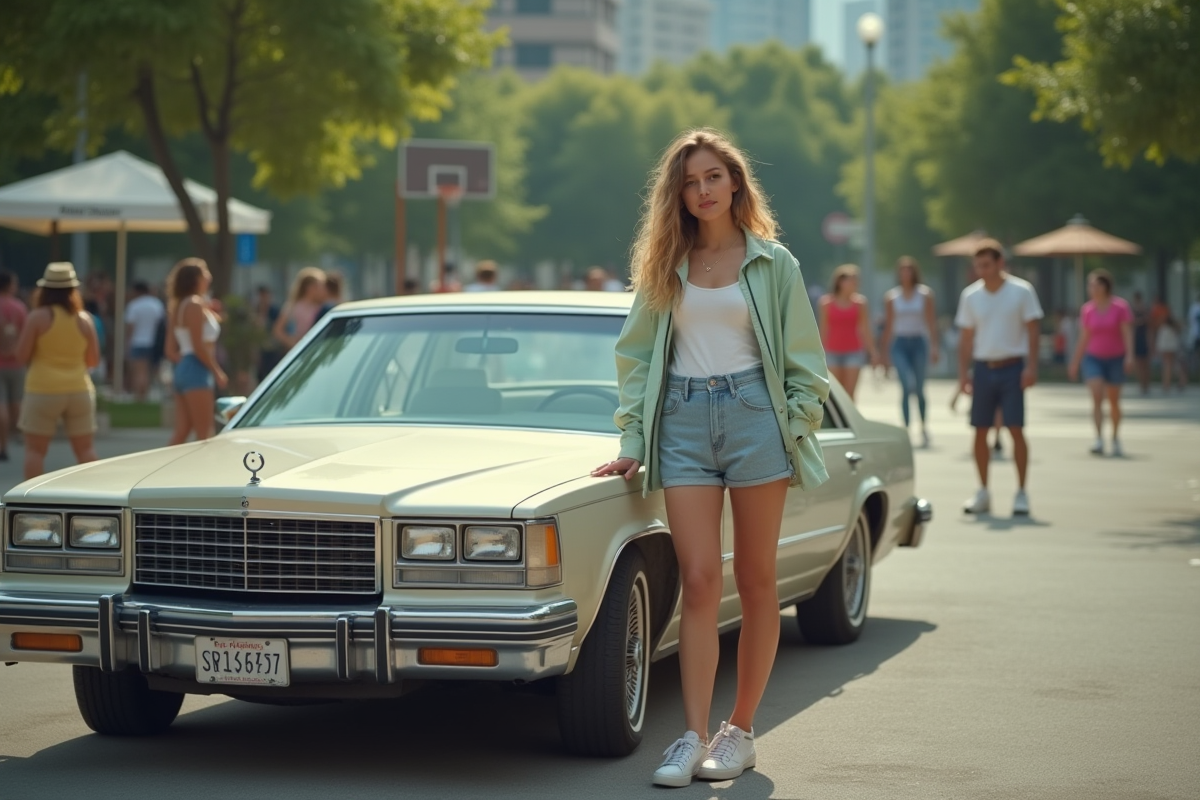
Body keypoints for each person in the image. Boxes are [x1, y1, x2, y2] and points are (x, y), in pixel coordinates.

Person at [590, 129, 829, 787]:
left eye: (713, 177)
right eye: (691, 181)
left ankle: (740, 732)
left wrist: (794, 427)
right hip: (684, 424)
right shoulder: (666, 267)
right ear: (679, 193)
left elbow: (807, 363)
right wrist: (633, 441)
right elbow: (636, 361)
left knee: (755, 581)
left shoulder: (772, 263)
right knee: (697, 580)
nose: (702, 191)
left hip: (756, 422)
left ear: (735, 183)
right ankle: (692, 735)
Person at [956, 239, 1044, 516]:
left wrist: (1032, 367)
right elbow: (966, 338)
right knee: (979, 430)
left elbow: (1032, 330)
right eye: (977, 265)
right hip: (983, 368)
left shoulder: (1021, 291)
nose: (981, 270)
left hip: (1012, 368)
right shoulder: (971, 296)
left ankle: (1021, 492)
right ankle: (982, 491)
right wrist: (963, 375)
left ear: (1000, 263)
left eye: (986, 264)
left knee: (1015, 428)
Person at [13, 263, 100, 479]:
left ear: (44, 290)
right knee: (85, 451)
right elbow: (93, 360)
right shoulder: (84, 319)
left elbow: (21, 355)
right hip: (79, 389)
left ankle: (31, 505)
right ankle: (99, 503)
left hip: (43, 389)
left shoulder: (38, 317)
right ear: (73, 290)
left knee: (35, 451)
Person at [1068, 270, 1133, 456]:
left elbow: (1127, 333)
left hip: (1116, 357)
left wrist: (1129, 355)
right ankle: (1098, 438)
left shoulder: (1120, 307)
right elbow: (1084, 337)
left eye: (1096, 285)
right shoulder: (1087, 309)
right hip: (1093, 357)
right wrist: (1075, 362)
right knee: (1096, 395)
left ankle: (1115, 437)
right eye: (1090, 285)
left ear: (1106, 286)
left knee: (1113, 400)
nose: (1093, 289)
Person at [165, 258, 227, 444]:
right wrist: (217, 371)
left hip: (185, 366)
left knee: (183, 431)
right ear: (196, 279)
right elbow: (199, 345)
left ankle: (161, 469)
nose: (209, 277)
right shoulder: (194, 304)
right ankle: (205, 472)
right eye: (205, 273)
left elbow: (170, 349)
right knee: (204, 434)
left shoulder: (180, 305)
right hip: (197, 367)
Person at [881, 256, 939, 446]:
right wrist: (885, 354)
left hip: (919, 342)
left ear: (915, 272)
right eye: (902, 270)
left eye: (909, 269)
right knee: (906, 386)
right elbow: (889, 326)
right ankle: (906, 428)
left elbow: (931, 322)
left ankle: (923, 426)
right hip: (900, 344)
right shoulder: (892, 296)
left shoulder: (924, 294)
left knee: (920, 388)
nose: (906, 273)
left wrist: (935, 346)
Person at [818, 264, 877, 400]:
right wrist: (819, 354)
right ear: (840, 282)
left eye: (856, 280)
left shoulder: (860, 303)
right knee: (835, 395)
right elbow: (823, 329)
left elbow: (865, 329)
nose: (855, 283)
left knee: (849, 394)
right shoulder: (826, 303)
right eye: (851, 279)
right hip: (832, 352)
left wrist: (873, 352)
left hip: (853, 352)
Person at [0, 271, 28, 461]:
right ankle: (19, 434)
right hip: (17, 362)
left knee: (1, 406)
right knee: (16, 402)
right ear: (10, 285)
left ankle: (2, 446)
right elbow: (27, 335)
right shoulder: (19, 307)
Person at [124, 280, 165, 401]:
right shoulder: (157, 304)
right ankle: (145, 395)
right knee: (148, 372)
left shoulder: (134, 305)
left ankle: (139, 396)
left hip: (137, 342)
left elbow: (130, 326)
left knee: (138, 372)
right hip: (153, 342)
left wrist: (127, 343)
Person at [272, 267, 327, 351]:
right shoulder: (292, 306)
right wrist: (293, 343)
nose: (323, 291)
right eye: (320, 287)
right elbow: (278, 330)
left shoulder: (322, 307)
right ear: (310, 288)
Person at [253, 284, 282, 382]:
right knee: (260, 375)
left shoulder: (274, 311)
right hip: (260, 348)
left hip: (273, 348)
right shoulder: (255, 310)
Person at [1155, 315, 1187, 392]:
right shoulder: (1173, 329)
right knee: (1173, 365)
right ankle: (1181, 381)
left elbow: (1160, 341)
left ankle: (1167, 384)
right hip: (1172, 349)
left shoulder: (1163, 329)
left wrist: (1158, 349)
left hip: (1166, 349)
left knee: (1167, 366)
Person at [1130, 292, 1151, 394]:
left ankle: (1145, 384)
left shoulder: (1144, 308)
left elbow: (1148, 321)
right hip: (1136, 337)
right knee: (1139, 363)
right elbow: (1130, 322)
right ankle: (1142, 384)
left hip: (1143, 336)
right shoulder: (1132, 309)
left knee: (1144, 363)